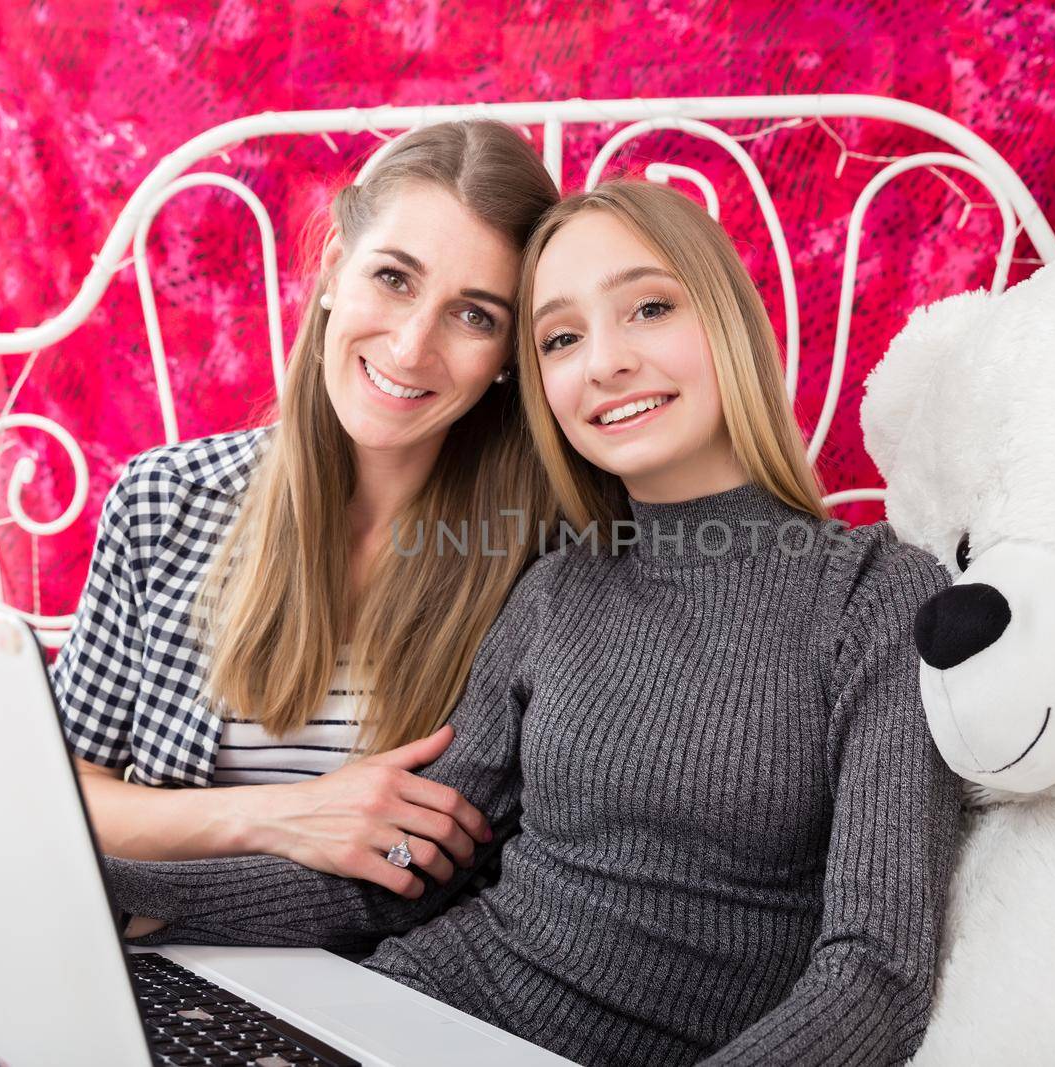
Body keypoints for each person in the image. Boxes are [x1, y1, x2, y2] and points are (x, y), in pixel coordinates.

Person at [104, 181, 963, 1066]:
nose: (604, 363)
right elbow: (399, 877)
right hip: (410, 1006)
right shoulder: (555, 589)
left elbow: (876, 975)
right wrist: (115, 892)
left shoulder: (877, 592)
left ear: (729, 319)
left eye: (649, 308)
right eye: (562, 337)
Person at [0, 119, 560, 1066]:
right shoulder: (169, 500)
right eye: (394, 276)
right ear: (333, 266)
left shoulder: (539, 563)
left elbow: (448, 890)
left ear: (510, 353)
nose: (412, 345)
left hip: (328, 992)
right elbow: (62, 792)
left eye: (474, 313)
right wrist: (275, 814)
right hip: (114, 939)